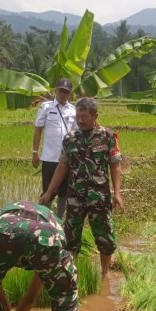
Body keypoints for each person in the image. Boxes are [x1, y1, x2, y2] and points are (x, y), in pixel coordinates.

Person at [40, 97, 123, 282]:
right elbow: (62, 167)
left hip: (99, 198)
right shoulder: (70, 138)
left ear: (95, 116)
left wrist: (117, 194)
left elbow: (115, 166)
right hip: (75, 197)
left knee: (105, 239)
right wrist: (49, 193)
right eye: (78, 116)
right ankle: (72, 275)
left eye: (84, 116)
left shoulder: (108, 137)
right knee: (70, 239)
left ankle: (105, 274)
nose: (80, 120)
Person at [32, 78, 77, 218]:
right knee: (47, 191)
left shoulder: (73, 110)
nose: (63, 94)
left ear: (69, 94)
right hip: (49, 158)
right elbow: (38, 130)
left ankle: (59, 220)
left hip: (66, 159)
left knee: (64, 192)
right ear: (56, 90)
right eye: (61, 91)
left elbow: (76, 133)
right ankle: (44, 220)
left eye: (66, 92)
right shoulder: (46, 107)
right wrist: (34, 152)